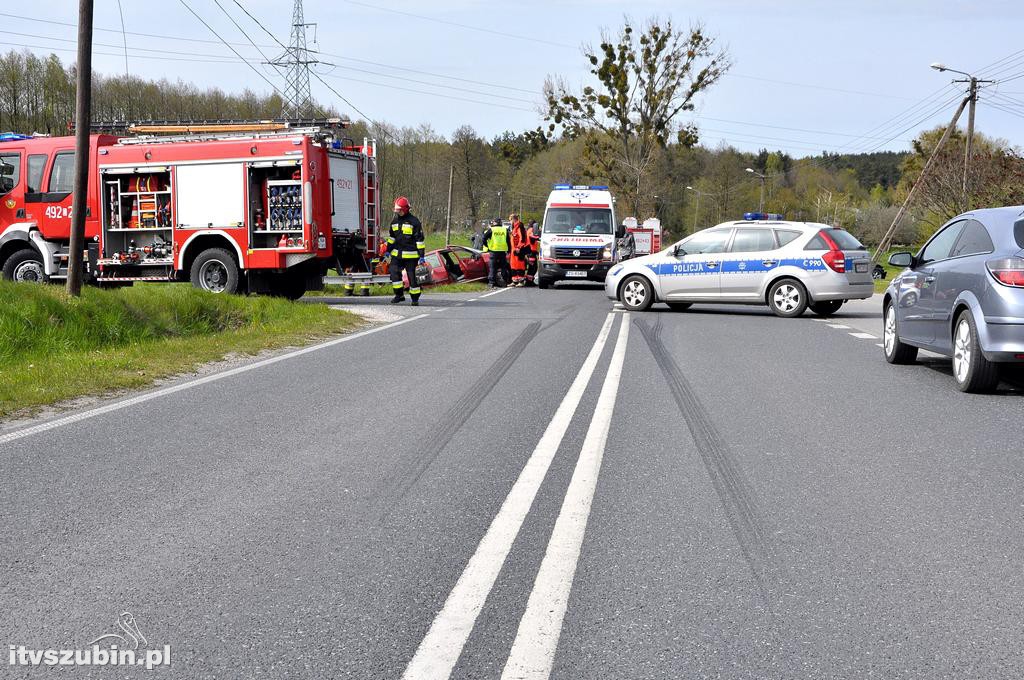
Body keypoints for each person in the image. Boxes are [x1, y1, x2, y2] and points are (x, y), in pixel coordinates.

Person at [386, 196, 426, 305]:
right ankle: (399, 295)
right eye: (397, 211)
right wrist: (388, 250)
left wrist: (422, 256)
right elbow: (392, 238)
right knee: (394, 273)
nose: (398, 212)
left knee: (412, 278)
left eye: (400, 210)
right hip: (397, 255)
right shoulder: (394, 222)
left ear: (405, 209)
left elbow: (420, 240)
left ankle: (414, 299)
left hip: (411, 256)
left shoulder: (414, 222)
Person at [481, 218, 511, 287]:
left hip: (493, 251)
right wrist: (509, 250)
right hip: (503, 251)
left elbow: (484, 238)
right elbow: (508, 241)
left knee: (492, 267)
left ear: (494, 223)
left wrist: (487, 245)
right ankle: (505, 281)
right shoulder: (505, 230)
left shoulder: (492, 229)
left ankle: (491, 282)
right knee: (503, 267)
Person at [509, 213, 529, 287]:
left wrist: (519, 247)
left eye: (510, 220)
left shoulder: (519, 226)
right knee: (513, 265)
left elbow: (522, 238)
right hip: (514, 249)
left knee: (520, 265)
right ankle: (515, 280)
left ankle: (521, 280)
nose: (510, 222)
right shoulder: (514, 227)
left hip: (519, 249)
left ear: (514, 219)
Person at [525, 220, 540, 285]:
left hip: (531, 251)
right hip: (531, 252)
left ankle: (530, 280)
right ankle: (529, 281)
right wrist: (538, 237)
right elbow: (532, 238)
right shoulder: (531, 230)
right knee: (533, 267)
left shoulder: (529, 230)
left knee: (533, 267)